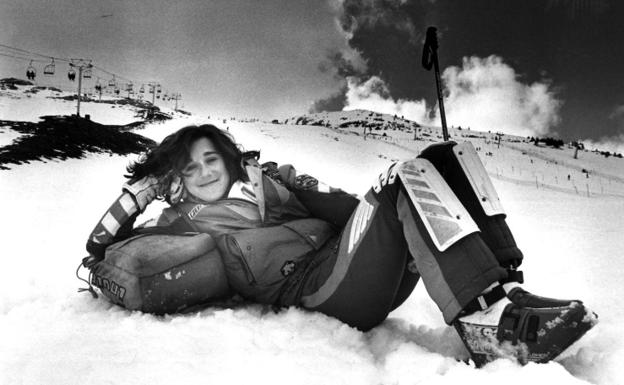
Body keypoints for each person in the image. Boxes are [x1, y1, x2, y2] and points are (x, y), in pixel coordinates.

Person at [84, 124, 596, 366]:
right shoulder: (182, 223)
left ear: (228, 157)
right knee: (402, 176)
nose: (203, 172)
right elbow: (100, 246)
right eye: (187, 168)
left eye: (210, 158)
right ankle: (485, 318)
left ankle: (505, 290)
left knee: (444, 154)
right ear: (173, 179)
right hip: (319, 287)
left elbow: (353, 212)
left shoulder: (272, 181)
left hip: (358, 263)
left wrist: (292, 185)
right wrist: (139, 192)